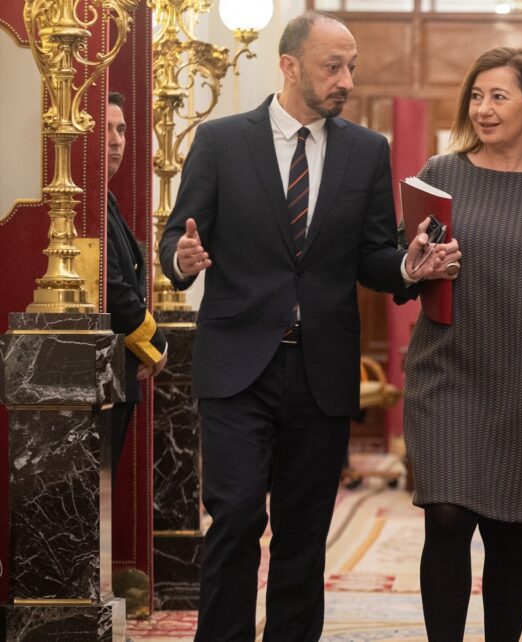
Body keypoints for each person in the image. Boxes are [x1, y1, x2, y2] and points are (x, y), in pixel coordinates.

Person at [158, 11, 459, 641]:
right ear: (290, 66)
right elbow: (177, 238)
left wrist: (408, 264)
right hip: (238, 365)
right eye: (333, 66)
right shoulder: (220, 142)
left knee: (303, 533)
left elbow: (375, 256)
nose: (346, 79)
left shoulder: (366, 151)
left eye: (351, 66)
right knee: (236, 515)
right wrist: (180, 261)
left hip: (320, 371)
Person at [402, 47, 522, 641]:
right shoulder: (441, 173)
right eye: (477, 96)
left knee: (507, 530)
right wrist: (417, 263)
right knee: (446, 515)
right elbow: (403, 262)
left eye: (499, 96)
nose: (483, 109)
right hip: (447, 369)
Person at [105, 91, 167, 485]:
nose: (116, 140)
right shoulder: (85, 202)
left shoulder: (105, 200)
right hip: (103, 367)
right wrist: (155, 344)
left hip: (116, 370)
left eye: (122, 130)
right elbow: (113, 288)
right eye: (108, 129)